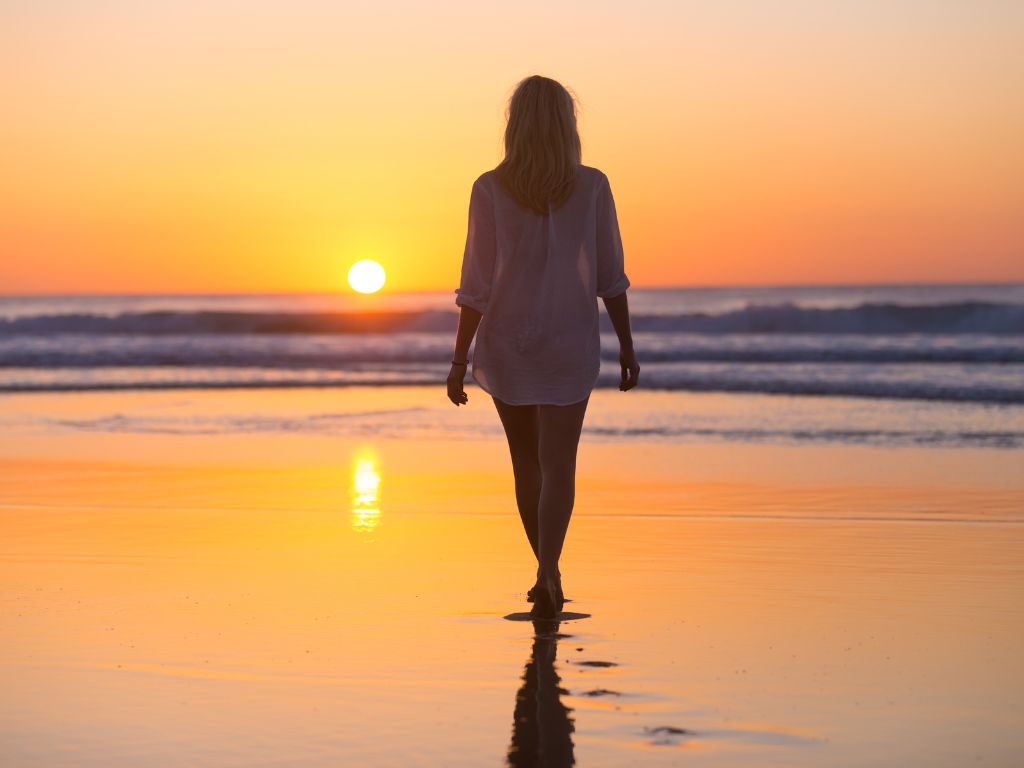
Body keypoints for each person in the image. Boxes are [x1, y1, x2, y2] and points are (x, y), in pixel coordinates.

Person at [447, 75, 639, 620]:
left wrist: (459, 360)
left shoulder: (489, 188)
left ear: (515, 125)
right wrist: (627, 345)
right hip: (568, 341)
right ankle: (548, 570)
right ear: (565, 124)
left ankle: (548, 572)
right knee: (560, 466)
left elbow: (476, 285)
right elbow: (610, 275)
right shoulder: (593, 185)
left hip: (509, 340)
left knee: (525, 466)